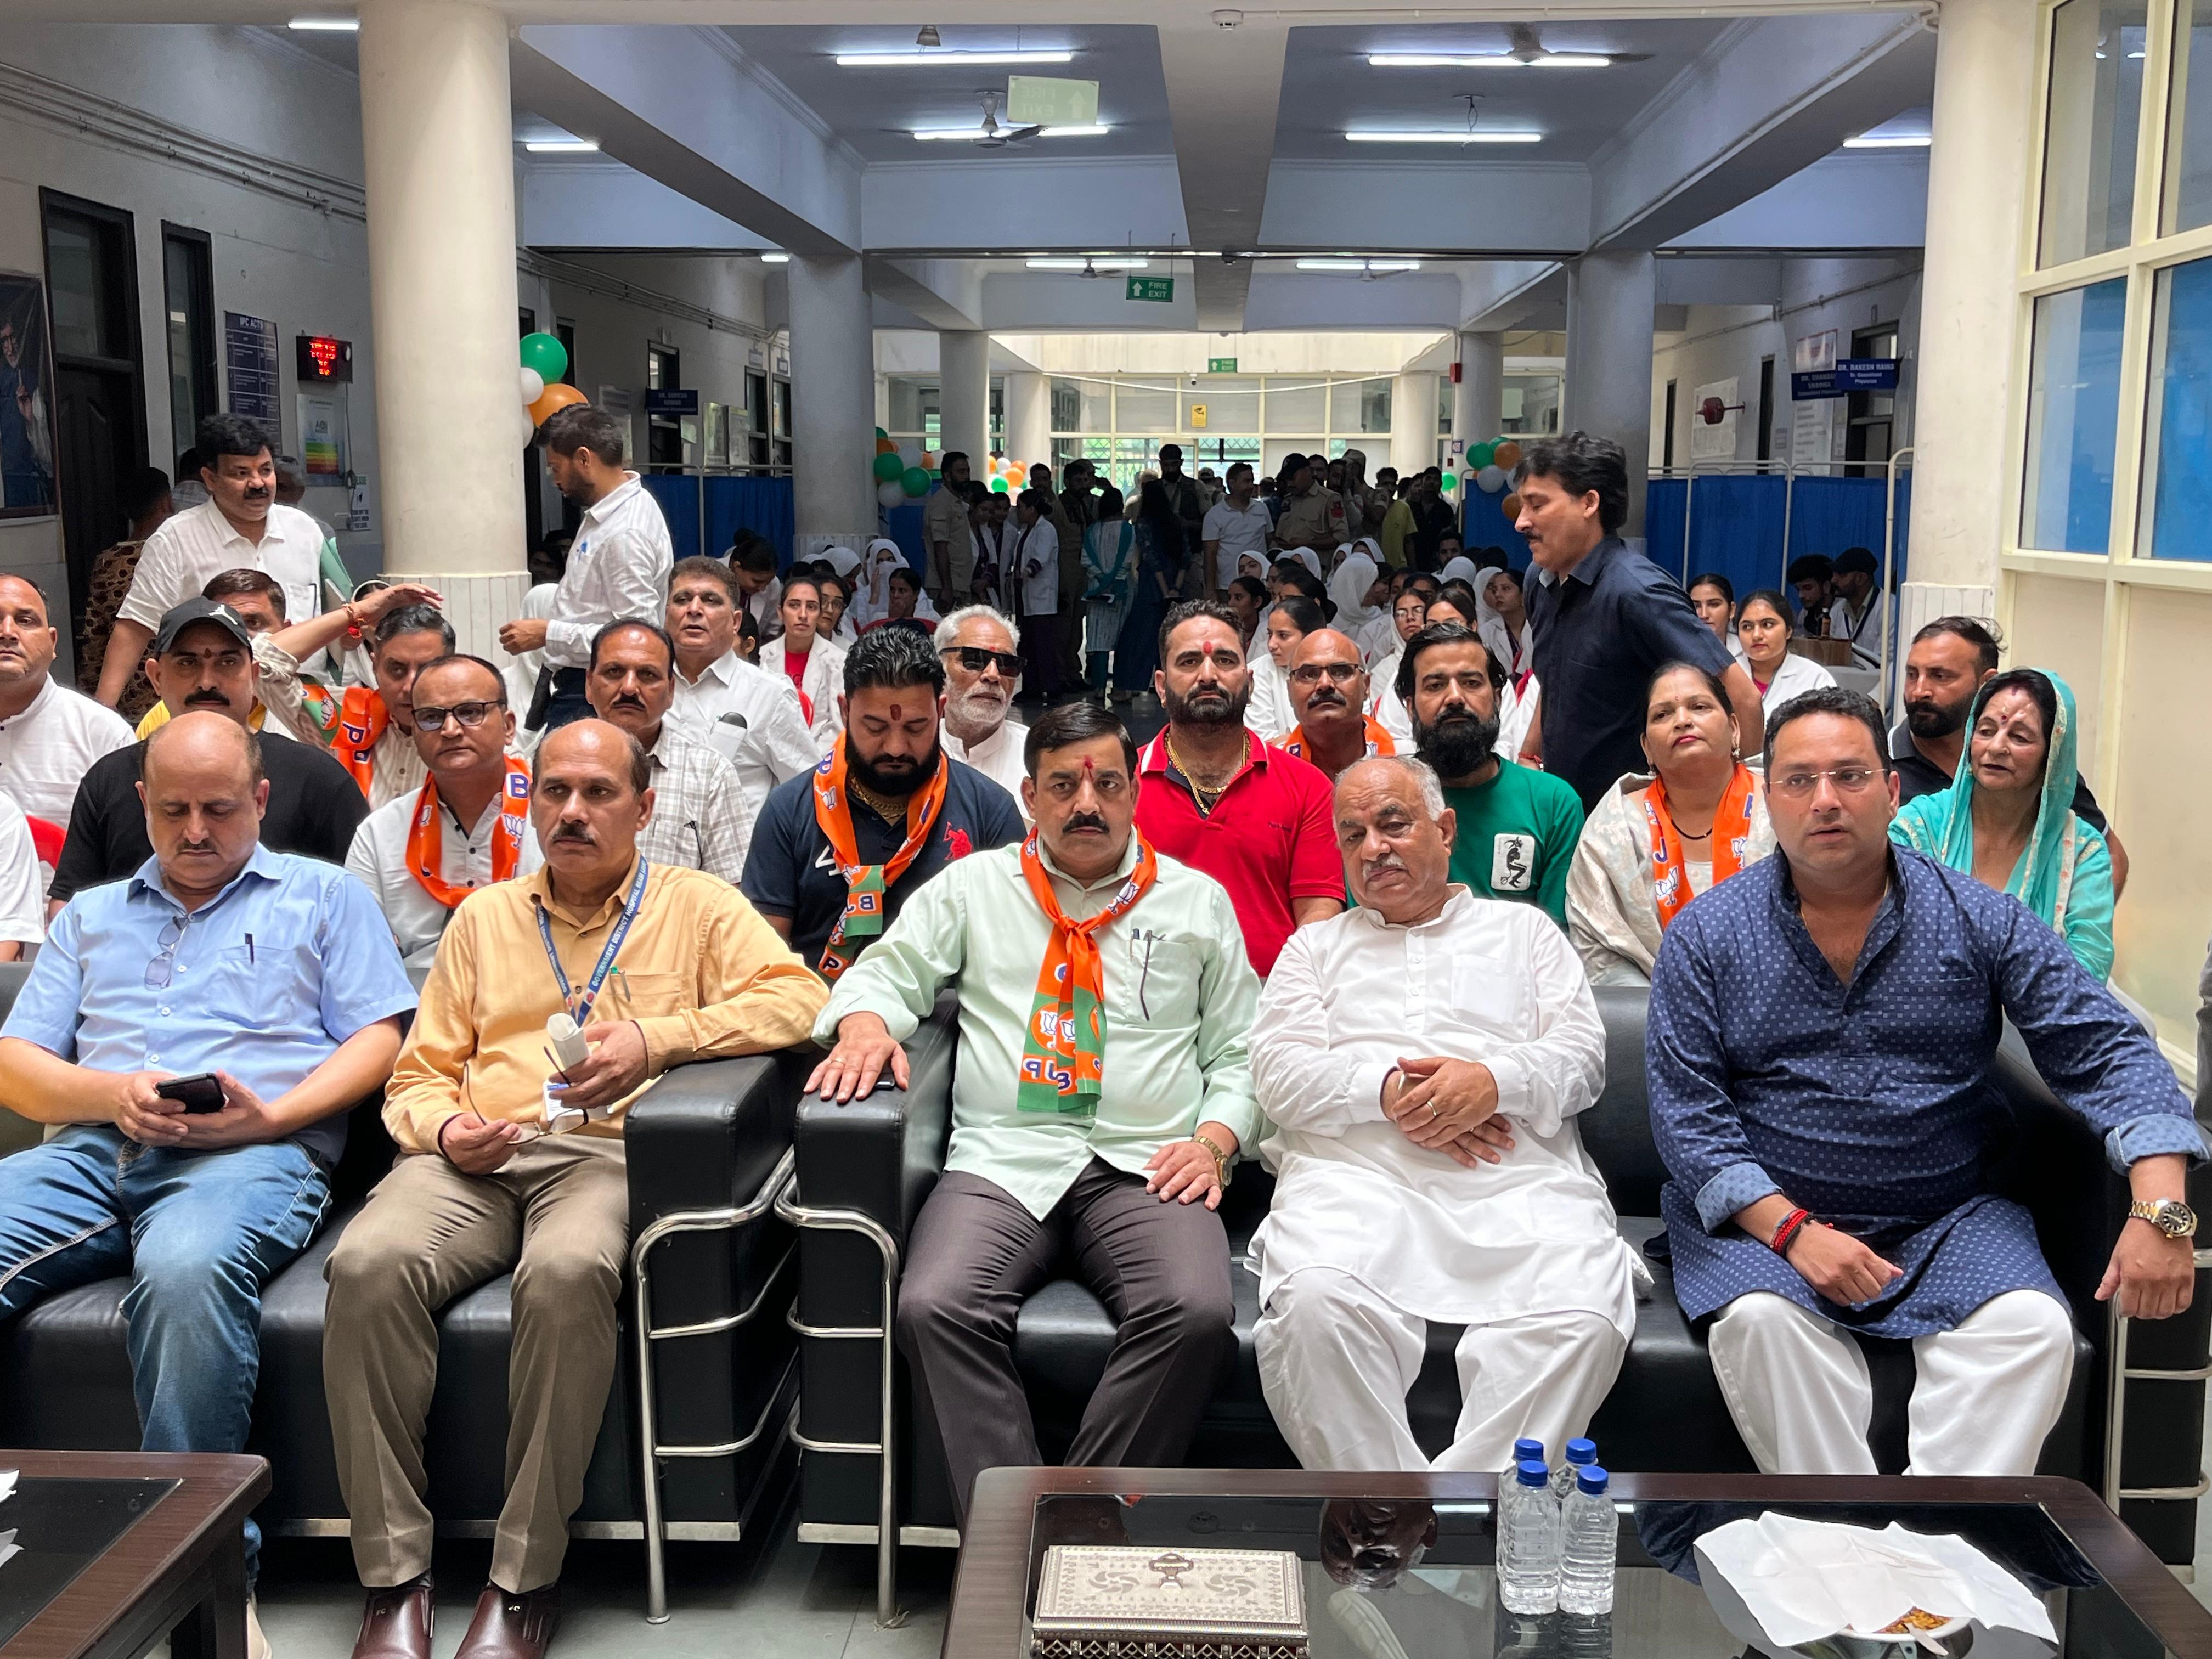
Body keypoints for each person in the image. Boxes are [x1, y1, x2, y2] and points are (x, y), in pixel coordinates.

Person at [324, 719, 826, 1659]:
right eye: (555, 791)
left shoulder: (696, 905)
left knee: (565, 1273)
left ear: (644, 806)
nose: (573, 811)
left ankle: (523, 1579)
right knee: (366, 1262)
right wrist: (447, 1129)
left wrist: (658, 1039)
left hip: (605, 1155)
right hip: (476, 1154)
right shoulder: (484, 917)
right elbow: (418, 1076)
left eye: (599, 793)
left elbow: (801, 1000)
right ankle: (393, 1576)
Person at [1647, 687, 2203, 1477]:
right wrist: (1794, 1231)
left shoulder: (1979, 917)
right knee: (1760, 1325)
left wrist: (2161, 1208)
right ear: (1768, 798)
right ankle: (1844, 1535)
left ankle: (1935, 1539)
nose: (1826, 800)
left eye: (1850, 776)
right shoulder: (1706, 934)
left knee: (2034, 1330)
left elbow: (2108, 1046)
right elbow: (1689, 1119)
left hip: (1946, 1218)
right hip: (1767, 1223)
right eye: (1799, 780)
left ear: (1892, 791)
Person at [0, 714, 414, 1645]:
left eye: (219, 809)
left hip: (251, 1154)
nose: (195, 830)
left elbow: (379, 1036)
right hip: (96, 1147)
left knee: (187, 1271)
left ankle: (205, 1579)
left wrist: (276, 1116)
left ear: (259, 800)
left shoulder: (325, 897)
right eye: (174, 809)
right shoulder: (94, 915)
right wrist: (112, 1093)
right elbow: (14, 1064)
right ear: (142, 802)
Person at [808, 699, 1259, 1525]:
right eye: (1063, 786)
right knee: (935, 1305)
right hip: (1004, 1156)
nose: (1087, 804)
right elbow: (886, 971)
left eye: (1108, 785)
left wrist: (1215, 1141)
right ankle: (1020, 1538)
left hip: (1148, 1160)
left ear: (1135, 794)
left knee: (1196, 1314)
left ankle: (1068, 1531)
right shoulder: (975, 888)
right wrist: (866, 1024)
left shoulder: (1197, 902)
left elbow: (1240, 1051)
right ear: (1029, 797)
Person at [1250, 755, 1637, 1472]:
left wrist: (1492, 1082)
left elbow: (1583, 1059)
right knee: (1313, 1307)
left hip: (1515, 1184)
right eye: (1354, 835)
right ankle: (1398, 1514)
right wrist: (1388, 1092)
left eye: (1394, 824)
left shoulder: (1526, 935)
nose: (1374, 848)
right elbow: (1277, 1076)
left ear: (1446, 829)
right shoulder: (1315, 949)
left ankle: (1449, 1516)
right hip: (1358, 1184)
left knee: (1581, 1318)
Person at [741, 626, 1024, 976]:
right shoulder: (788, 810)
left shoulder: (990, 810)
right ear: (845, 711)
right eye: (875, 728)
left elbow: (1010, 955)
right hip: (816, 1002)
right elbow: (764, 962)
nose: (895, 748)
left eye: (916, 728)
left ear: (940, 710)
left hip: (947, 1006)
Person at [49, 599, 368, 908]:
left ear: (254, 675)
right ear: (156, 677)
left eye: (227, 663)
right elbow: (70, 906)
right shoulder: (110, 778)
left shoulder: (316, 779)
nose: (206, 682)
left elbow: (360, 903)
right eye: (187, 663)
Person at [1514, 432, 1762, 811]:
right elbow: (1554, 681)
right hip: (1561, 807)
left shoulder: (1637, 592)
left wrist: (1743, 810)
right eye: (1522, 506)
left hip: (1634, 817)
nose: (1522, 522)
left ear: (1589, 503)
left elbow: (1744, 699)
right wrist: (1530, 753)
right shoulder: (1540, 580)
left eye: (1537, 505)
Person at [1135, 602, 1341, 976]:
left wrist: (1288, 993)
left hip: (1273, 994)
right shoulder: (1120, 784)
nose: (1208, 675)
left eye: (1225, 661)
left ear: (1250, 682)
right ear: (1162, 687)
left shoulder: (1308, 787)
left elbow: (1318, 913)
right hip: (1144, 995)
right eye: (1189, 662)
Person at [1891, 669, 2113, 979]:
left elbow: (2089, 966)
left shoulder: (2081, 853)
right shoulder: (1919, 827)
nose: (1996, 747)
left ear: (2052, 755)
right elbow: (1890, 939)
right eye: (1986, 731)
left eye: (2019, 737)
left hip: (2041, 1011)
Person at [1566, 662, 1777, 986]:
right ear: (1647, 748)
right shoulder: (1615, 829)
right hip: (1646, 1008)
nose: (1683, 721)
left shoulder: (1784, 805)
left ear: (1734, 729)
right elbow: (1598, 951)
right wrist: (1669, 1009)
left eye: (1700, 707)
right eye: (1662, 715)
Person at [99, 414, 326, 709]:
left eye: (266, 470)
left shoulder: (305, 530)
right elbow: (134, 628)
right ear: (210, 479)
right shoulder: (176, 539)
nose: (258, 483)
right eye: (241, 474)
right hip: (214, 704)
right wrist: (102, 713)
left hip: (303, 705)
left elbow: (330, 614)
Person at [1888, 618, 2130, 889]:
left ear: (1986, 682)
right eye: (1912, 674)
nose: (1919, 691)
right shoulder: (1882, 767)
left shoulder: (2041, 775)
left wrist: (2075, 909)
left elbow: (2111, 855)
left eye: (1940, 676)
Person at [345, 653, 540, 964]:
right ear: (416, 732)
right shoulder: (379, 833)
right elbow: (361, 954)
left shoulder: (553, 819)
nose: (450, 729)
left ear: (508, 726)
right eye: (431, 717)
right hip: (415, 991)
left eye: (470, 712)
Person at [497, 405, 675, 732]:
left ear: (583, 458)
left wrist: (547, 633)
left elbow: (636, 638)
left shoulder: (625, 533)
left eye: (556, 468)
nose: (554, 480)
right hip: (581, 685)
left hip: (597, 693)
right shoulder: (613, 510)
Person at [1398, 622, 1583, 926]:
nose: (1455, 697)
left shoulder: (1552, 803)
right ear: (1410, 707)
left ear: (1497, 699)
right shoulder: (1383, 800)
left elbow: (1556, 935)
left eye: (1471, 683)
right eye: (1435, 686)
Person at [664, 554, 820, 849]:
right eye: (683, 599)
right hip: (654, 864)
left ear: (736, 622)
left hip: (737, 864)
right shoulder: (644, 689)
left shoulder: (769, 694)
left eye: (710, 600)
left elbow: (808, 792)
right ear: (666, 614)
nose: (694, 609)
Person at [252, 586, 452, 807]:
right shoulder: (343, 714)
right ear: (375, 666)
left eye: (427, 669)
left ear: (449, 670)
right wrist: (357, 612)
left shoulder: (470, 730)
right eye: (397, 669)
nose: (410, 686)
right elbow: (261, 663)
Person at [584, 620, 749, 884]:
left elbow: (732, 893)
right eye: (614, 672)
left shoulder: (710, 774)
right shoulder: (554, 764)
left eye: (647, 675)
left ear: (671, 691)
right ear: (589, 684)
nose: (629, 688)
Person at [0, 574, 134, 828]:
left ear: (52, 642)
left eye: (25, 621)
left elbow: (127, 841)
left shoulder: (103, 734)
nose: (8, 632)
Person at [77, 465, 174, 724]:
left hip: (124, 698)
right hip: (172, 692)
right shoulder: (176, 557)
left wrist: (93, 702)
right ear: (167, 502)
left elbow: (95, 635)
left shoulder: (108, 562)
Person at [934, 605, 1031, 802]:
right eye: (974, 660)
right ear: (939, 671)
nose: (993, 675)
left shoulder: (1039, 756)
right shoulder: (911, 751)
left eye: (1006, 664)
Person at [1276, 629, 1395, 781]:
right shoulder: (1271, 772)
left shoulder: (1403, 760)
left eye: (1341, 672)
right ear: (1289, 691)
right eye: (1309, 674)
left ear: (1366, 686)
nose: (1325, 684)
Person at [758, 573, 849, 748]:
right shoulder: (763, 658)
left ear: (820, 614)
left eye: (811, 607)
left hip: (819, 756)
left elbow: (838, 726)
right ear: (780, 613)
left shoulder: (838, 661)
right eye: (794, 605)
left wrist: (811, 760)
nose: (803, 614)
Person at [1115, 478, 1184, 699]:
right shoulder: (1175, 522)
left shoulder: (1144, 524)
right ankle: (1171, 686)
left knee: (1137, 639)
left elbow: (1151, 558)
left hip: (1151, 587)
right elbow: (1185, 558)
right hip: (1176, 584)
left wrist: (1163, 590)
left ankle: (1128, 687)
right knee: (1170, 639)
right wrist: (1175, 589)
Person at [1736, 588, 1836, 714]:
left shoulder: (1815, 677)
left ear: (1789, 631)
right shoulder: (1724, 674)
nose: (1756, 635)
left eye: (1767, 625)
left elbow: (1831, 723)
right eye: (1747, 627)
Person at [1080, 483, 1136, 702]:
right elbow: (1128, 559)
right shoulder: (1128, 530)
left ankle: (1099, 687)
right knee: (1123, 638)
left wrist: (1102, 580)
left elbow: (1086, 560)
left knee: (1098, 640)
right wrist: (1115, 580)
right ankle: (1122, 687)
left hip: (1096, 590)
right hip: (1122, 590)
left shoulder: (1092, 531)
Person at [1246, 594, 1323, 746]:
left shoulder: (1343, 671)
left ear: (1312, 636)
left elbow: (1355, 735)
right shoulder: (1257, 673)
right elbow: (1263, 745)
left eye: (1283, 636)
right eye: (1270, 634)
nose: (1271, 645)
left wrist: (1291, 740)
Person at [1011, 487, 1063, 699]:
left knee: (1043, 645)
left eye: (1021, 507)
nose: (1018, 512)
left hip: (1041, 597)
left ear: (1032, 509)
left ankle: (1051, 688)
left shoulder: (1046, 530)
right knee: (1027, 644)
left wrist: (1027, 572)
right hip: (1025, 595)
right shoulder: (1025, 531)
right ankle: (1031, 687)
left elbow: (1040, 557)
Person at [1201, 461, 1272, 600]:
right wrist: (1210, 589)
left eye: (1252, 481)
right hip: (1227, 586)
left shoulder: (1262, 509)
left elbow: (1269, 540)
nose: (1251, 486)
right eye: (1246, 481)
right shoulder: (1214, 515)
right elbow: (1210, 555)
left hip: (1259, 584)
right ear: (1232, 484)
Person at [925, 450, 977, 613]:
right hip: (947, 588)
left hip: (960, 586)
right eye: (961, 472)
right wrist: (947, 587)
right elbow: (940, 547)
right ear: (947, 476)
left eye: (968, 471)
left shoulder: (957, 502)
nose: (966, 477)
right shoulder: (941, 503)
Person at [1327, 545, 1396, 665]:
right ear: (1355, 585)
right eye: (1372, 584)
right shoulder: (1330, 620)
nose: (1377, 590)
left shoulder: (1379, 618)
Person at [1155, 443, 1206, 592]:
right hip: (1162, 556)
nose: (1170, 469)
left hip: (1192, 554)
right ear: (1160, 464)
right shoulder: (1154, 489)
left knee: (1193, 598)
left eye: (1174, 464)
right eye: (1166, 465)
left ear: (1181, 463)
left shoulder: (1196, 487)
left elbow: (1208, 522)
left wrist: (1186, 524)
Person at [1475, 565, 1534, 691]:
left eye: (1505, 589)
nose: (1497, 594)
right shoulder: (1485, 632)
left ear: (1523, 596)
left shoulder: (1538, 627)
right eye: (1494, 590)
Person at [1826, 546, 1887, 669]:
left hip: (1876, 680)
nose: (1833, 580)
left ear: (1861, 578)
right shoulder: (1836, 611)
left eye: (1842, 575)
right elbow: (1830, 656)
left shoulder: (1889, 610)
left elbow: (1887, 664)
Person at [1274, 454, 1345, 555]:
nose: (1290, 484)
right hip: (1287, 560)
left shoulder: (1330, 499)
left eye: (1293, 478)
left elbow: (1342, 536)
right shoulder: (1288, 500)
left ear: (1307, 472)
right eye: (1287, 480)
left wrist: (1307, 544)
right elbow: (1279, 536)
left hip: (1315, 562)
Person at [729, 533, 783, 639]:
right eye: (757, 581)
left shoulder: (773, 584)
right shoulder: (711, 578)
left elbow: (774, 630)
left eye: (767, 583)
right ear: (737, 567)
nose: (763, 588)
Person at [1406, 470, 1459, 572]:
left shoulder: (1446, 509)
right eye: (1429, 478)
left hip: (1436, 562)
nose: (1432, 482)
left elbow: (1448, 537)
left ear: (1441, 484)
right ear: (1422, 483)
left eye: (1436, 479)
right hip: (1411, 559)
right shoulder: (1411, 507)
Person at [1689, 571, 1744, 662]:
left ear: (1731, 610)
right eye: (1696, 606)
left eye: (1714, 604)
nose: (1704, 615)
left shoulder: (1747, 652)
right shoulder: (1674, 651)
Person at [1786, 555, 1835, 637]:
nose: (1801, 596)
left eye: (1808, 588)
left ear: (1826, 586)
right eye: (1798, 590)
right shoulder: (1805, 614)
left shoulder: (1841, 612)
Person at [1227, 573, 1270, 658]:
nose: (1230, 604)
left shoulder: (1269, 630)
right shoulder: (1223, 629)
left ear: (1257, 602)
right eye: (1229, 598)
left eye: (1238, 598)